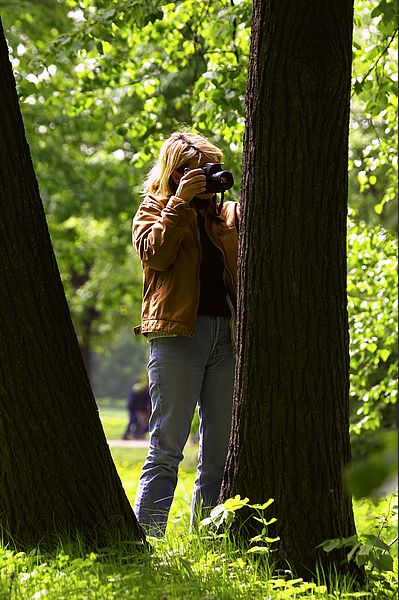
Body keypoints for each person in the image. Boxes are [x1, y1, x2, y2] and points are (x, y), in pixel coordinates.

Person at [131, 130, 240, 535]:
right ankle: (149, 542)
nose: (208, 180)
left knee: (219, 457)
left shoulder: (228, 215)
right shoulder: (154, 210)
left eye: (211, 170)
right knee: (165, 450)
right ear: (175, 174)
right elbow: (156, 254)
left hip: (228, 340)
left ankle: (208, 543)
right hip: (178, 338)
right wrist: (179, 204)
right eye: (197, 172)